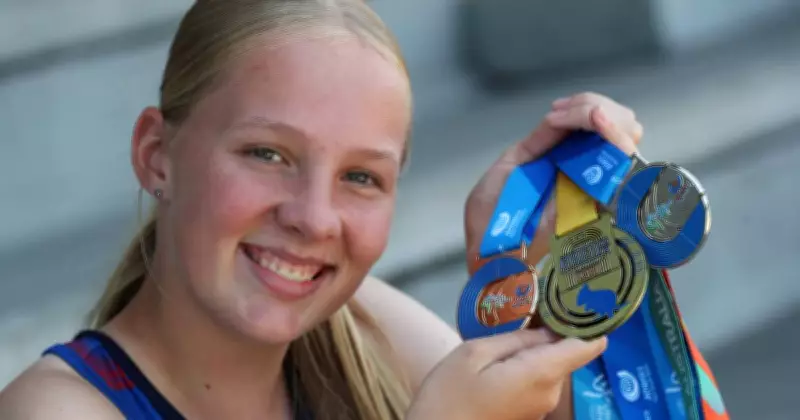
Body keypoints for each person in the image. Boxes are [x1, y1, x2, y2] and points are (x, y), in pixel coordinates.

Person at [0, 0, 644, 419]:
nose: (314, 218)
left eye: (360, 176)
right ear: (156, 155)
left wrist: (518, 271)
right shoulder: (55, 410)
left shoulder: (365, 332)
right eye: (267, 154)